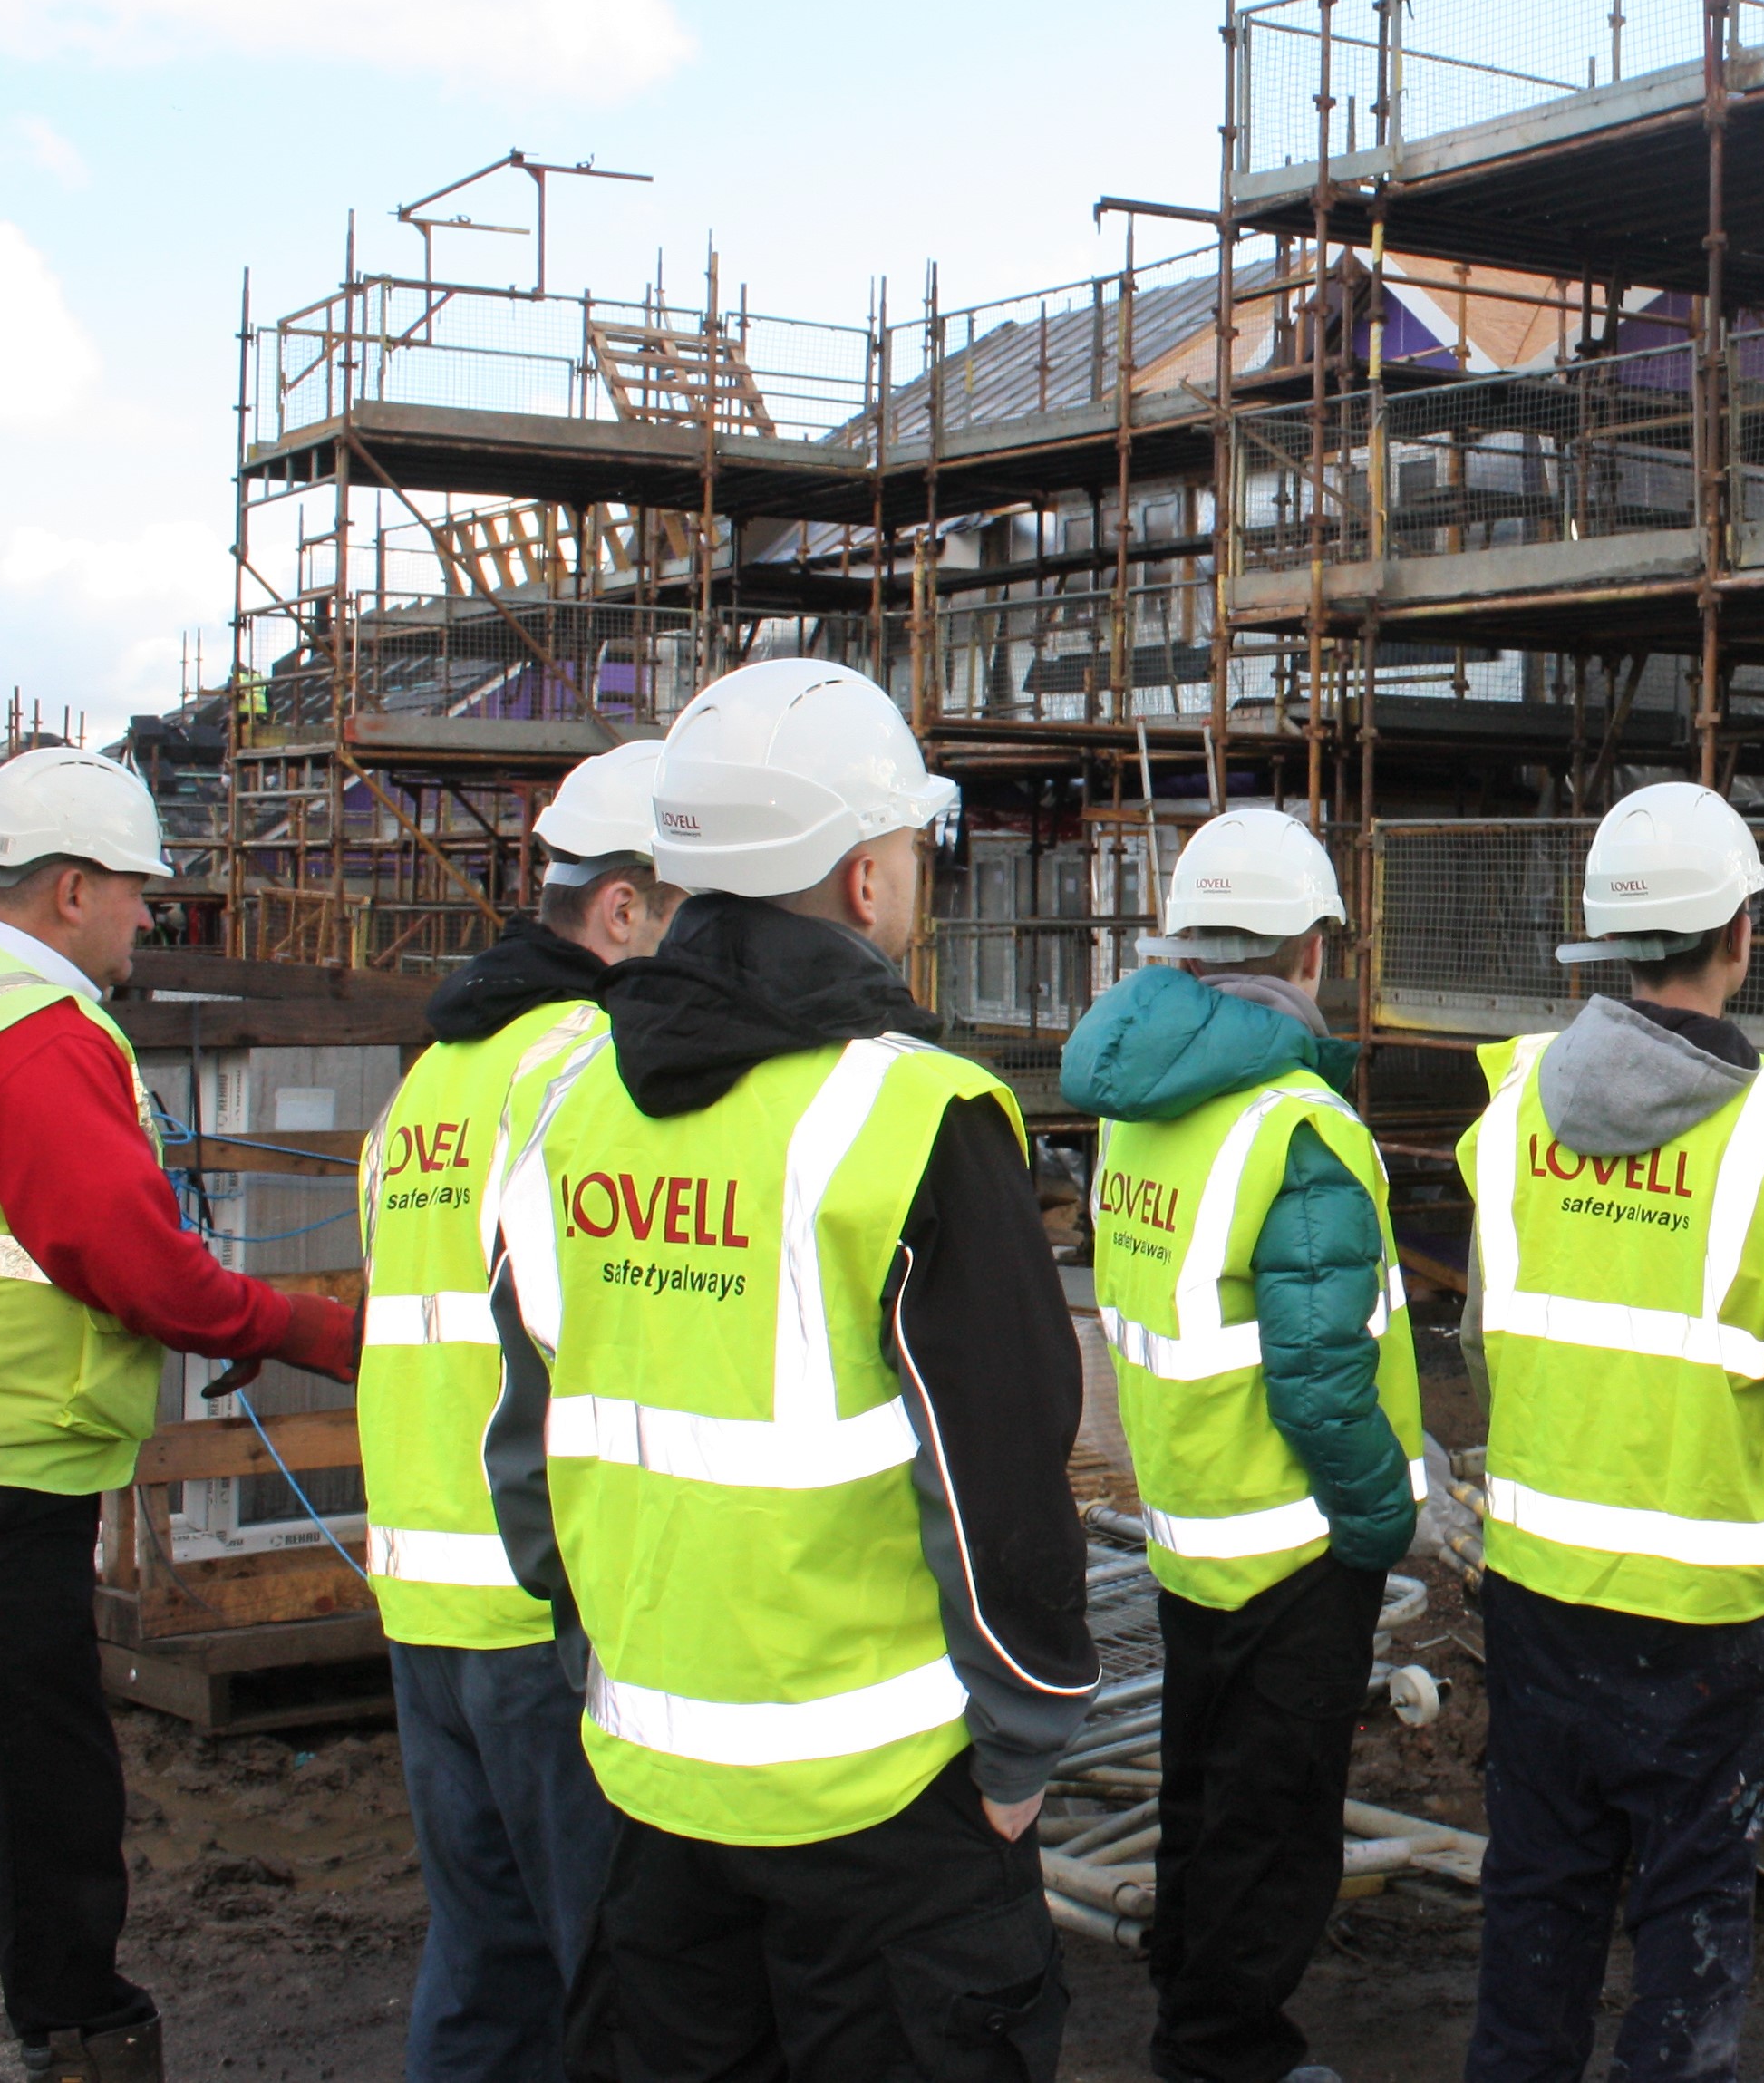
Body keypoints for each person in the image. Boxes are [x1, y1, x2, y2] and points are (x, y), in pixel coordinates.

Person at [480, 660, 1096, 2083]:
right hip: (889, 1815)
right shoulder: (915, 1116)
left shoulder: (568, 1108)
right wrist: (1020, 1749)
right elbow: (1004, 1479)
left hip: (653, 1791)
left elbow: (528, 1450)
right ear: (867, 880)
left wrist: (604, 1658)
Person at [0, 748, 364, 2083]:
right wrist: (306, 1332)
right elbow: (127, 1258)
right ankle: (82, 2033)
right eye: (134, 892)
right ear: (69, 890)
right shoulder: (35, 1030)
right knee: (47, 1785)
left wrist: (204, 1314)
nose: (145, 918)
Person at [1459, 782, 1764, 2083]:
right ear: (1743, 931)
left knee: (1538, 1894)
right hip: (1708, 1604)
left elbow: (1480, 1340)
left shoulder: (1514, 1104)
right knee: (1688, 1911)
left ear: (1602, 944)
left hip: (1536, 1582)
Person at [1061, 807, 1423, 2083]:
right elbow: (1323, 1381)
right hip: (1289, 1539)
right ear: (1312, 952)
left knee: (1206, 1786)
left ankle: (1186, 1987)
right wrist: (1383, 1517)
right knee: (1274, 1820)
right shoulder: (1293, 1127)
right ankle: (1227, 2052)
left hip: (1188, 1518)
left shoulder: (1139, 1110)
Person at [359, 741, 675, 2083]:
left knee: (484, 1974)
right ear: (618, 911)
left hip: (422, 1594)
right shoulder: (585, 1069)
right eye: (689, 915)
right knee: (613, 1979)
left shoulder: (430, 1082)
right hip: (544, 1606)